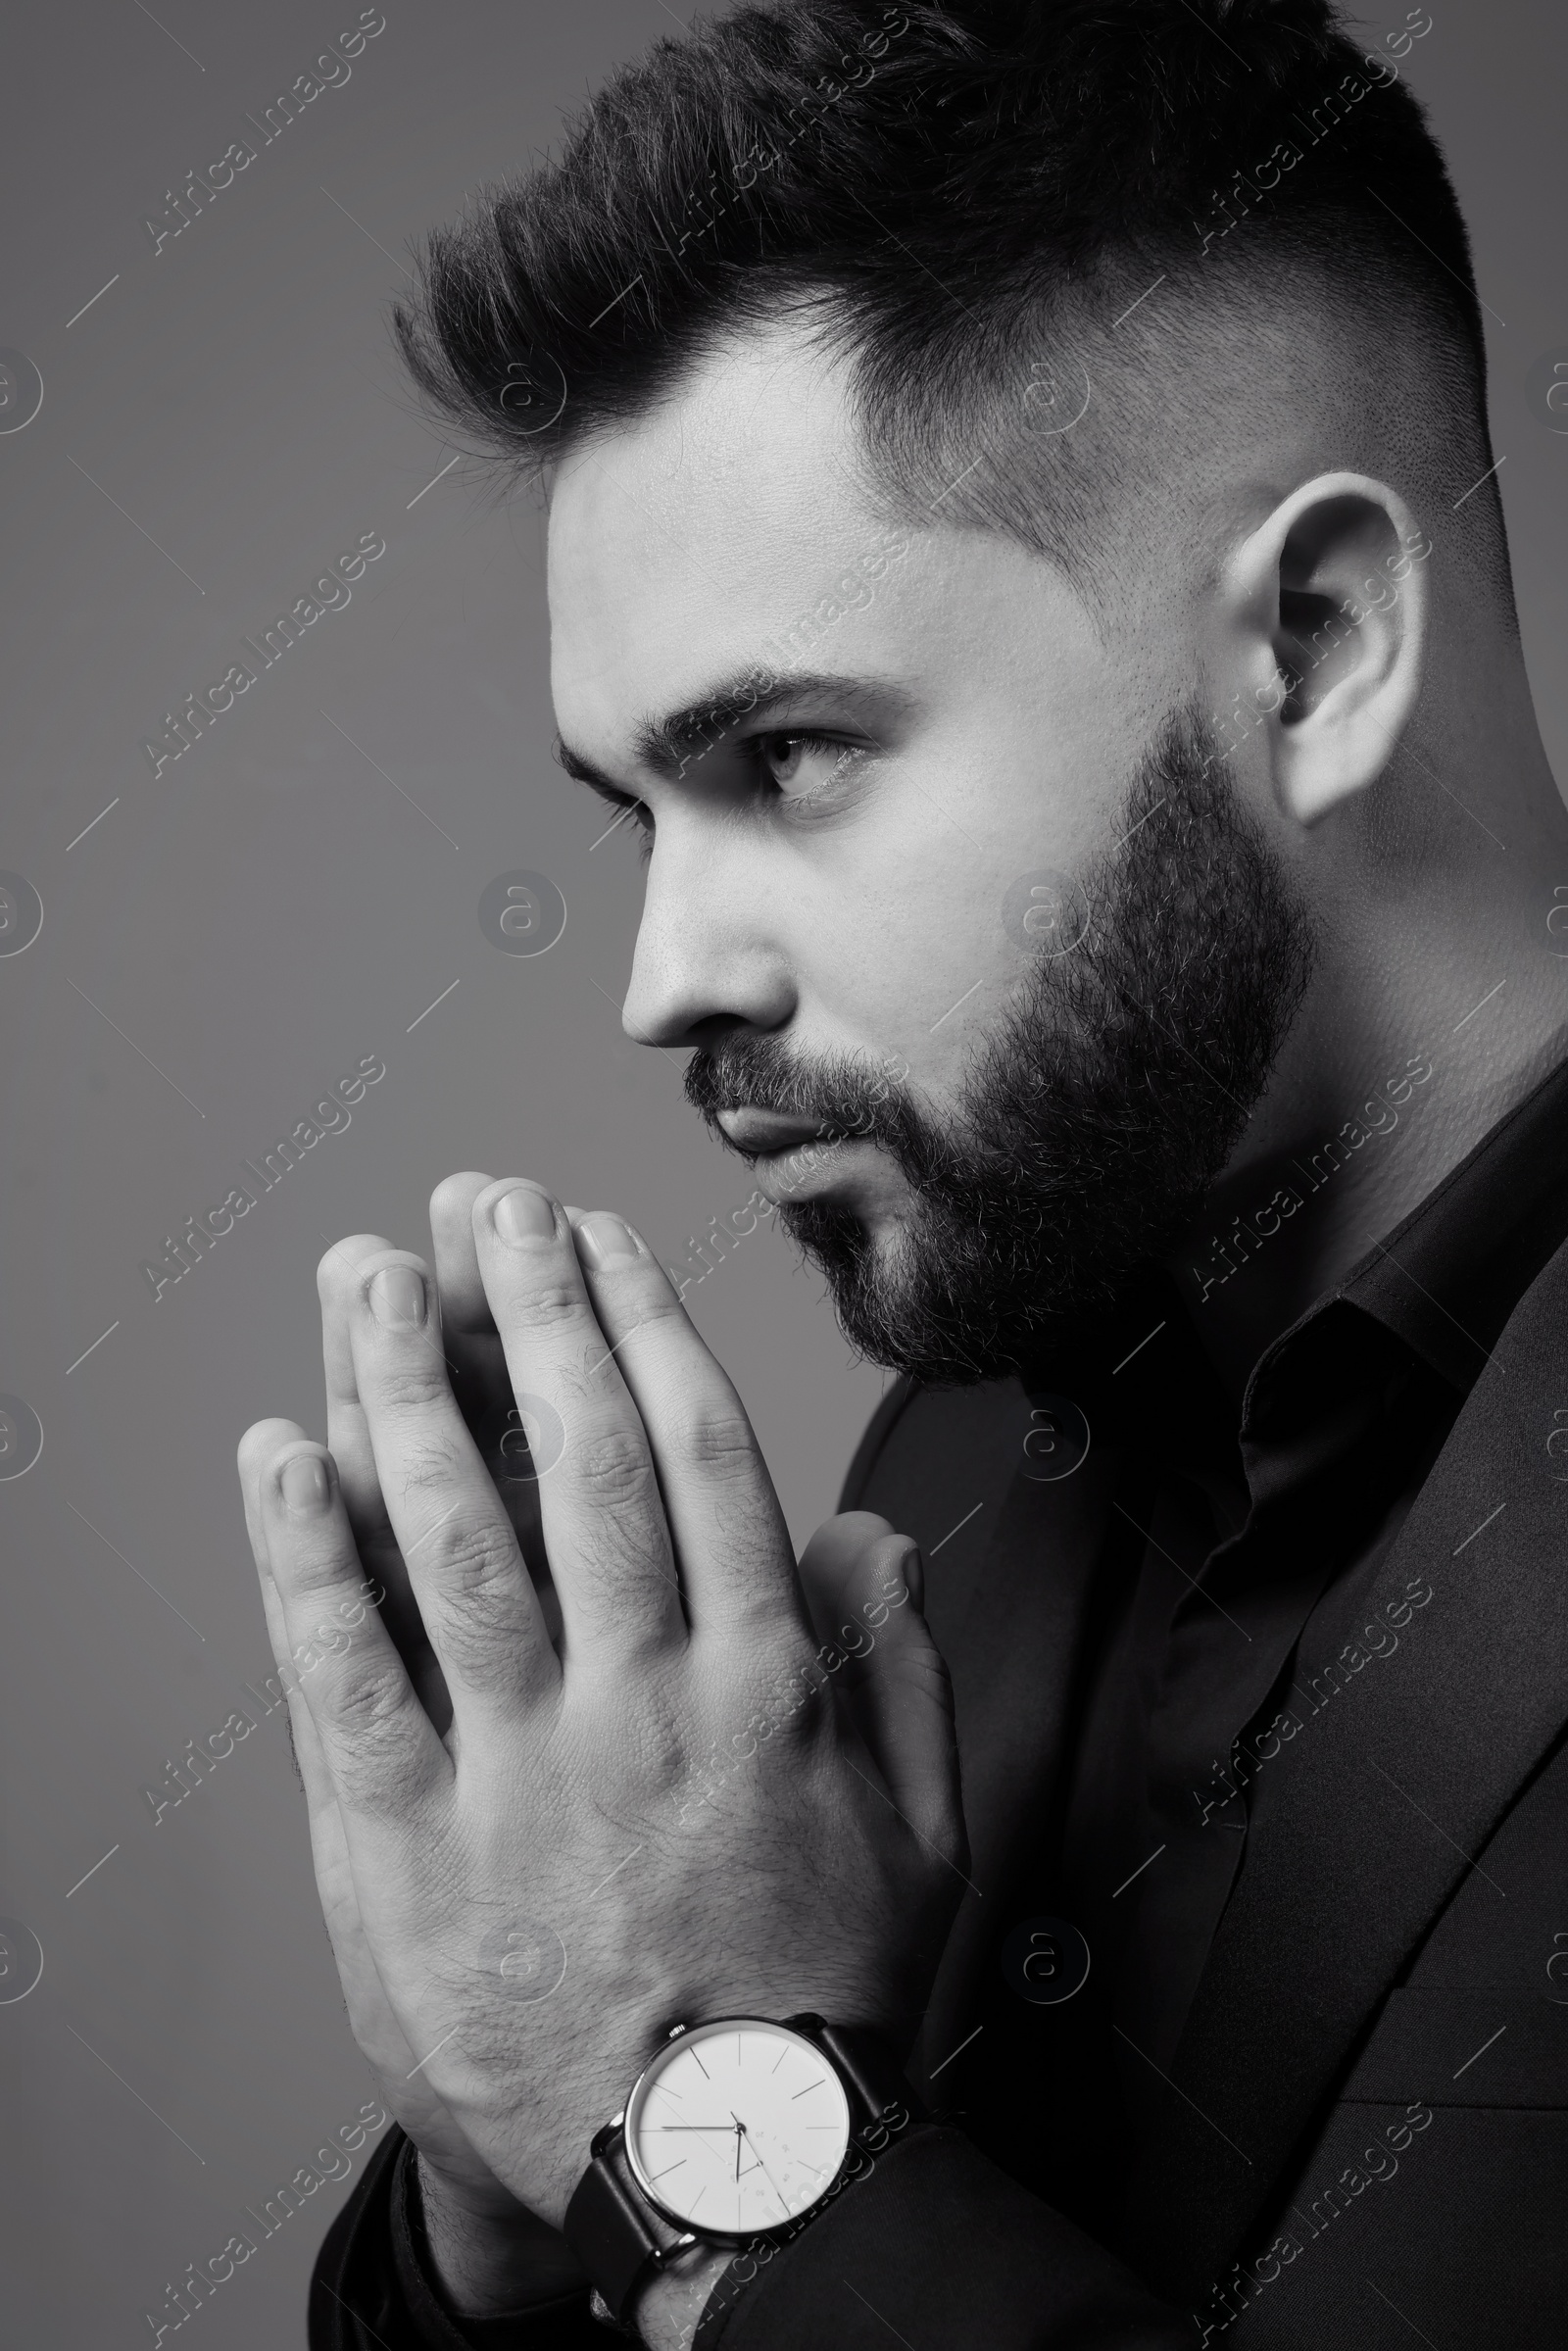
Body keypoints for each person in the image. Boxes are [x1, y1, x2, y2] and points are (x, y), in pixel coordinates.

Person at [235, 2, 1568, 2344]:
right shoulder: (955, 1454)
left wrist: (699, 2127)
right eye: (631, 810)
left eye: (783, 756)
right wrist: (506, 2148)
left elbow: (708, 2153)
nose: (658, 977)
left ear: (1322, 646)